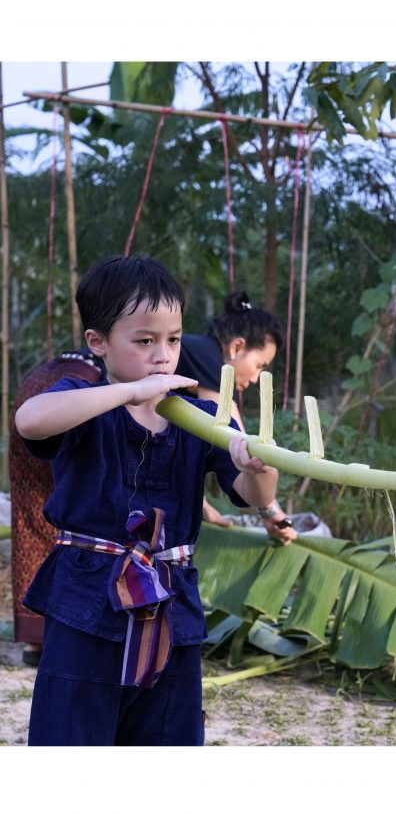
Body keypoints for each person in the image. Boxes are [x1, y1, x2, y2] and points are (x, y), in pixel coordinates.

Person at [15, 254, 280, 746]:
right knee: (71, 739)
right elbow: (31, 419)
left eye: (173, 340)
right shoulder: (82, 400)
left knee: (166, 739)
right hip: (86, 606)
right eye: (144, 341)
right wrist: (132, 391)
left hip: (170, 605)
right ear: (98, 343)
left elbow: (252, 494)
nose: (163, 355)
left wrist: (258, 469)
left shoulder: (207, 415)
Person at [176, 290, 297, 544]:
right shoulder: (205, 353)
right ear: (237, 346)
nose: (255, 378)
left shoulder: (196, 361)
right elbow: (236, 443)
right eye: (260, 365)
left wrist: (202, 505)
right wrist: (270, 510)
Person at [9, 349, 105, 667]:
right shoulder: (93, 378)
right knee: (72, 524)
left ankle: (34, 641)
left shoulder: (62, 365)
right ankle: (62, 632)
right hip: (67, 403)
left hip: (33, 394)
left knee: (31, 522)